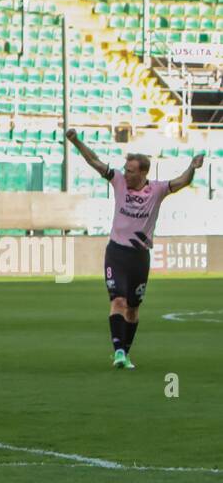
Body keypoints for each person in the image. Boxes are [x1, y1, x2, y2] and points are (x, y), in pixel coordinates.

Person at [66, 129, 203, 369]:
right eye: (125, 169)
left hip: (140, 257)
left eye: (130, 171)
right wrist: (76, 140)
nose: (125, 173)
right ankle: (118, 351)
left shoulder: (157, 190)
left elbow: (182, 181)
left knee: (133, 308)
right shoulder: (118, 181)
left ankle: (125, 353)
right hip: (116, 253)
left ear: (142, 172)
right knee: (117, 301)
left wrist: (192, 166)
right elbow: (93, 161)